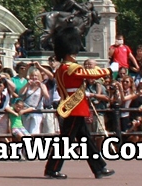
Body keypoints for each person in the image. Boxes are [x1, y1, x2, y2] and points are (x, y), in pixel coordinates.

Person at [44, 26, 115, 179]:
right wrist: (109, 70)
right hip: (74, 108)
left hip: (71, 106)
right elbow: (91, 73)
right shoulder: (72, 68)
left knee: (86, 140)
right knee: (66, 140)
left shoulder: (61, 68)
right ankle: (52, 169)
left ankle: (99, 168)